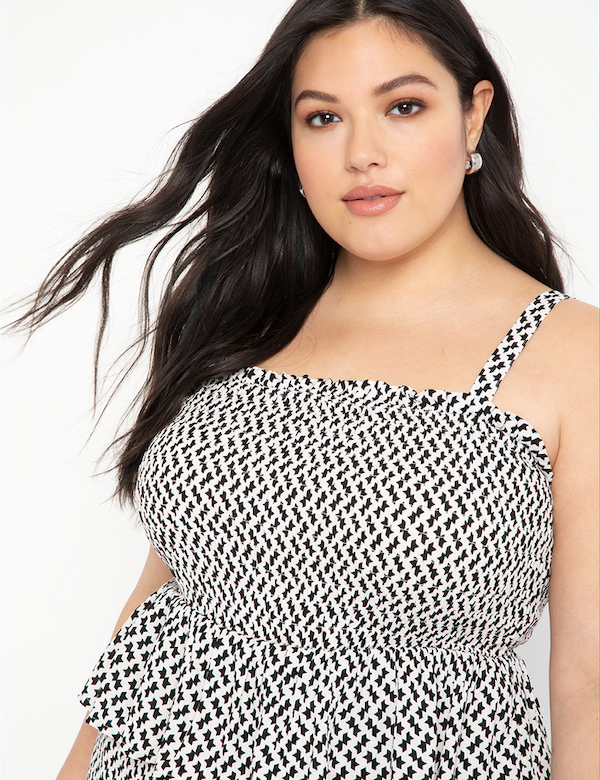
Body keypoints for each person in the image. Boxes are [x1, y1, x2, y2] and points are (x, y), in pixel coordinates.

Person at [8, 0, 597, 777]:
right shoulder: (246, 319)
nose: (362, 154)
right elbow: (156, 614)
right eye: (323, 118)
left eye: (404, 106)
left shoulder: (572, 354)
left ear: (473, 114)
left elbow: (587, 683)